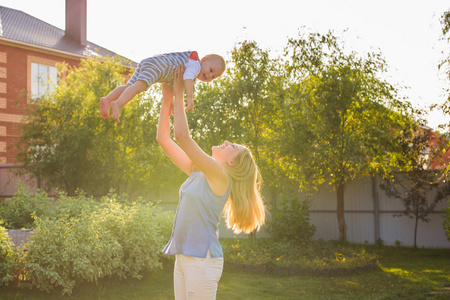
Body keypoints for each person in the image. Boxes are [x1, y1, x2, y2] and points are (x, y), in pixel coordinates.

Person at [156, 66, 266, 300]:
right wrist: (167, 102)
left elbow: (182, 137)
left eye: (233, 147)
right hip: (184, 257)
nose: (227, 141)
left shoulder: (220, 176)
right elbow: (164, 139)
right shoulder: (199, 172)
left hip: (203, 261)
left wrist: (179, 94)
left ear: (233, 164)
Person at [100, 51, 226, 123]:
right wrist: (190, 98)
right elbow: (186, 79)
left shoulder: (190, 64)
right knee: (139, 87)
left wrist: (171, 102)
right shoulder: (195, 66)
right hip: (159, 67)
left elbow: (174, 83)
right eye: (210, 70)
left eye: (213, 76)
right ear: (203, 60)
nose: (209, 75)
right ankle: (118, 104)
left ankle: (107, 99)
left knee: (129, 86)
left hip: (151, 62)